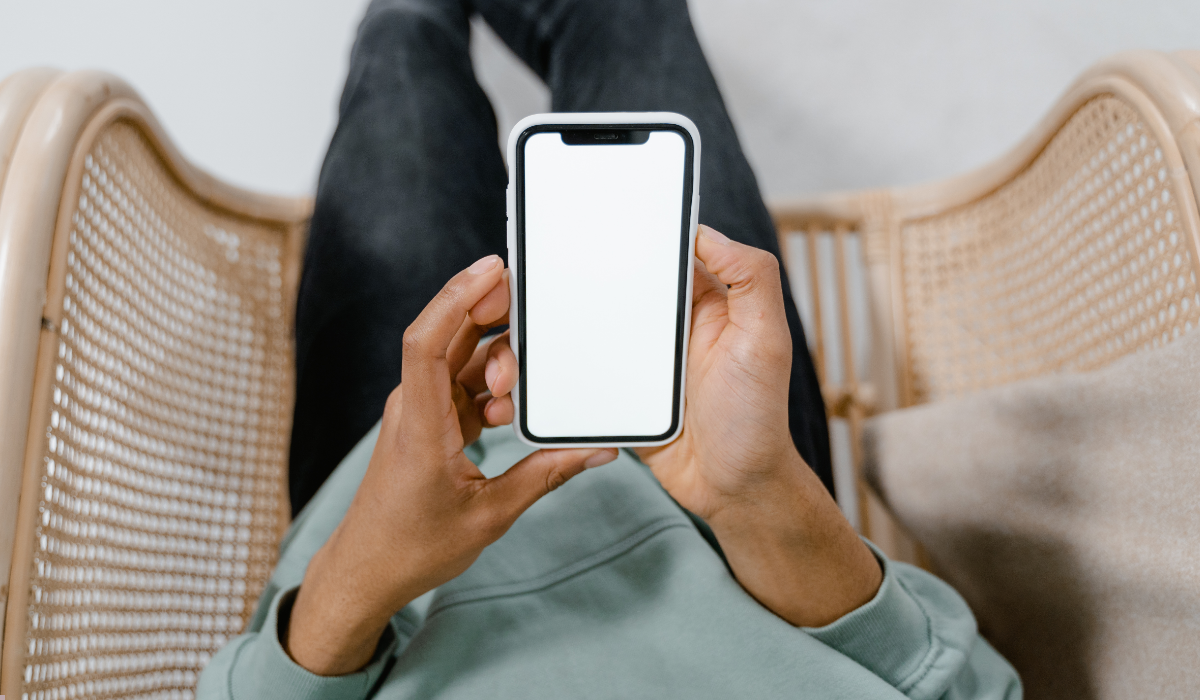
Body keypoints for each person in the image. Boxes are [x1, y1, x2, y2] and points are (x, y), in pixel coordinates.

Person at [197, 0, 1022, 697]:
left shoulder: (375, 534)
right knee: (632, 12)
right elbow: (964, 686)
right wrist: (755, 492)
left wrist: (364, 568)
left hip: (383, 492)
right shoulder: (744, 477)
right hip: (720, 471)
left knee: (403, 51)